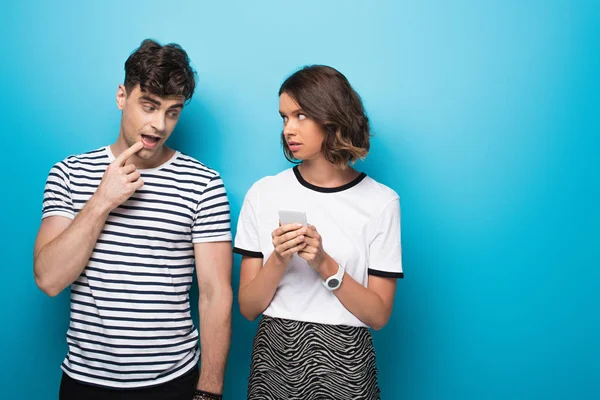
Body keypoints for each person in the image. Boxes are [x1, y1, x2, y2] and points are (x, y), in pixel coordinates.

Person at [34, 39, 232, 400]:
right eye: (149, 106)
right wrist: (101, 201)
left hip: (173, 382)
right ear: (122, 96)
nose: (159, 124)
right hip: (85, 382)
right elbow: (48, 279)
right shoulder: (69, 173)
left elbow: (215, 293)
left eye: (173, 111)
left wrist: (210, 390)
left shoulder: (203, 183)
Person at [234, 65, 403, 400]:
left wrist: (325, 264)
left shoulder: (382, 202)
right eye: (284, 117)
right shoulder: (263, 193)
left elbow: (379, 315)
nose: (288, 129)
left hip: (347, 364)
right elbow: (248, 308)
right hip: (274, 360)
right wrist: (279, 259)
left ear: (331, 116)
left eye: (300, 115)